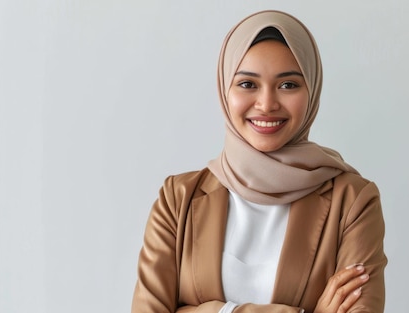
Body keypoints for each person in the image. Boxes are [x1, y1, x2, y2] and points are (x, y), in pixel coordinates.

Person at [131, 10, 386, 313]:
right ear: (225, 90)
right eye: (248, 84)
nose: (267, 104)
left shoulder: (353, 202)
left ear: (312, 90)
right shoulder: (178, 199)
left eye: (288, 84)